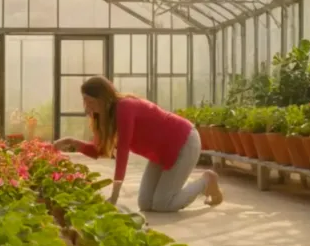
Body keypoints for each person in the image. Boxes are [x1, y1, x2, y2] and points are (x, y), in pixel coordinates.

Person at [53, 76, 223, 212]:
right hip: (161, 152)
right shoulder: (102, 118)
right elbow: (98, 151)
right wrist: (70, 142)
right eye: (85, 101)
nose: (87, 106)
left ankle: (206, 181)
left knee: (163, 204)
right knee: (146, 204)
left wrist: (115, 195)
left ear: (103, 97)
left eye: (90, 101)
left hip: (183, 141)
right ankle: (198, 183)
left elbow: (123, 150)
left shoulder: (125, 107)